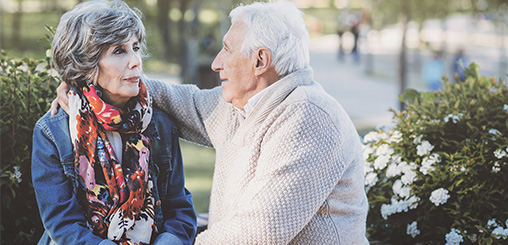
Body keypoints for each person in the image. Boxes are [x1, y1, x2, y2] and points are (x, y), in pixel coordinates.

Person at [54, 1, 369, 244]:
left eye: (227, 49)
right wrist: (91, 82)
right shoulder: (241, 106)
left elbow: (262, 230)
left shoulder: (309, 116)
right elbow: (175, 97)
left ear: (260, 61)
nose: (217, 62)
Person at [32, 0, 196, 244]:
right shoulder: (52, 133)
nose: (136, 61)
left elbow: (179, 209)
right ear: (85, 64)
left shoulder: (159, 123)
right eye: (119, 51)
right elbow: (63, 224)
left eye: (136, 47)